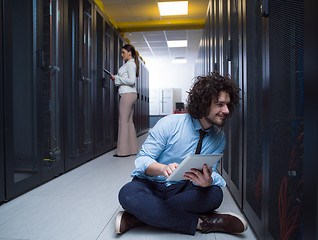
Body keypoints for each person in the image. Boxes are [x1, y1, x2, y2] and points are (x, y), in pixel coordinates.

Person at [115, 72, 248, 235]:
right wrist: (163, 169)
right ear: (204, 102)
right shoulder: (169, 124)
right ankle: (201, 223)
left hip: (184, 187)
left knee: (215, 194)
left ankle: (139, 217)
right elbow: (143, 159)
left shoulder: (219, 138)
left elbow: (211, 172)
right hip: (152, 184)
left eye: (228, 105)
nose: (226, 110)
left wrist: (207, 181)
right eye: (220, 104)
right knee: (127, 194)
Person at [110, 44, 139, 157]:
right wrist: (117, 78)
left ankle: (123, 152)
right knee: (129, 121)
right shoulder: (130, 64)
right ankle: (132, 150)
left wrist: (117, 78)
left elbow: (131, 81)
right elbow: (128, 79)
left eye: (123, 52)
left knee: (123, 121)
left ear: (129, 53)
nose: (122, 55)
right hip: (131, 94)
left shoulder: (130, 64)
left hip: (127, 94)